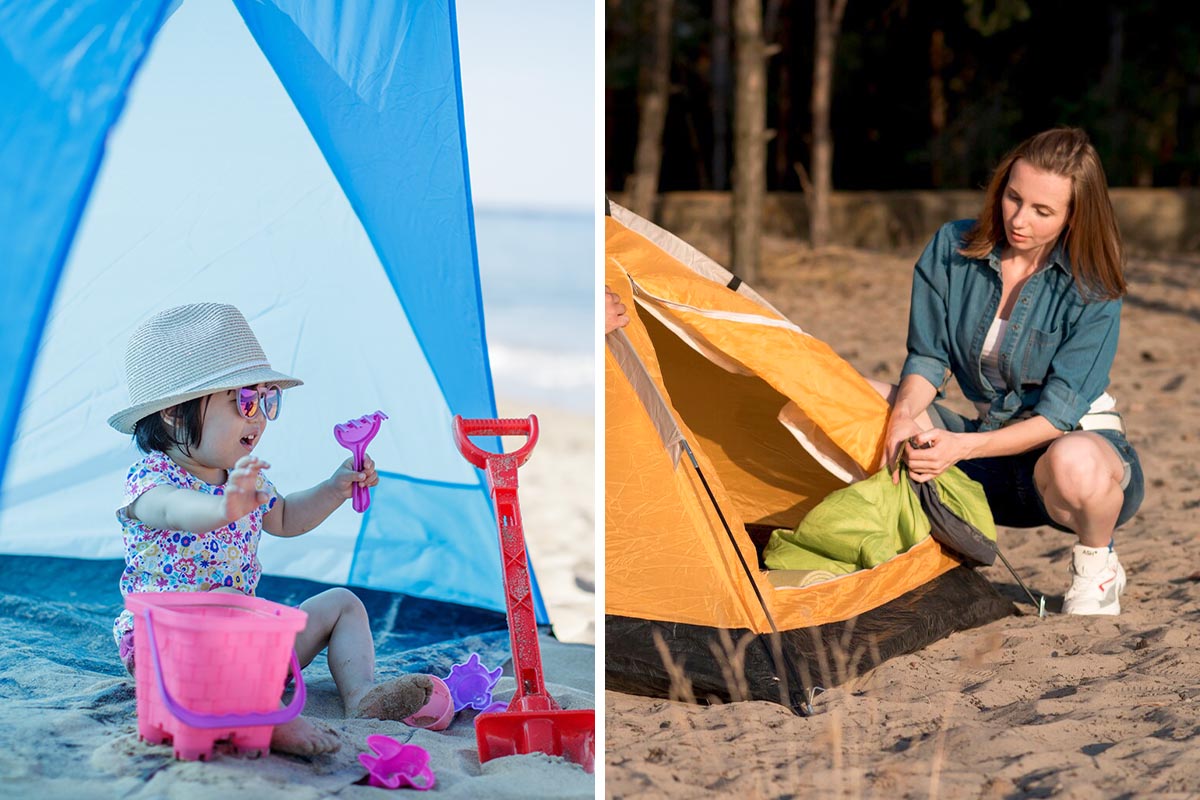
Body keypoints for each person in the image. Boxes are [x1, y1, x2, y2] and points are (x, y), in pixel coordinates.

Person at [108, 303, 434, 755]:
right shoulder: (153, 481)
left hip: (246, 647)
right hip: (172, 655)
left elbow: (285, 518)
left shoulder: (246, 477)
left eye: (266, 400)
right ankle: (267, 719)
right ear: (175, 414)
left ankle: (360, 695)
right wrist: (225, 507)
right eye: (243, 401)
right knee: (226, 607)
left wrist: (334, 488)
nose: (258, 416)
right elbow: (178, 511)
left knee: (341, 604)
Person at [876, 127, 1144, 616]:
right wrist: (901, 416)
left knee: (1072, 460)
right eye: (1013, 198)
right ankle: (891, 551)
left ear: (1073, 217)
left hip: (1068, 463)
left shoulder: (1095, 286)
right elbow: (928, 358)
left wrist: (960, 447)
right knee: (863, 399)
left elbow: (1058, 415)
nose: (1019, 219)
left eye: (1042, 211)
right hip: (984, 448)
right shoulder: (951, 246)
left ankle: (1097, 561)